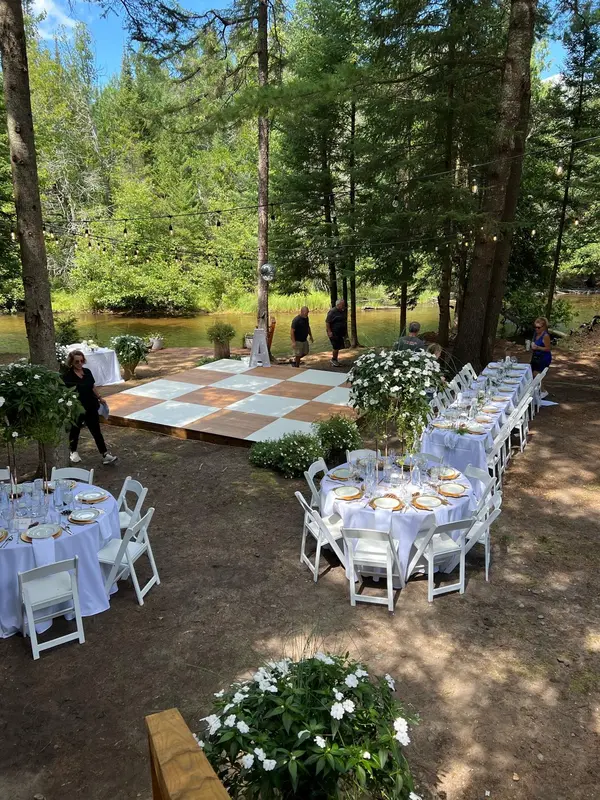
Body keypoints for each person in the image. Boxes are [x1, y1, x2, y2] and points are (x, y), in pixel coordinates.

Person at [63, 350, 117, 465]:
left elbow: (92, 386)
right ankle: (73, 451)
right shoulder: (68, 376)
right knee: (75, 430)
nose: (80, 363)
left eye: (82, 361)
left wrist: (100, 398)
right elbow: (65, 392)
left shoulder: (87, 372)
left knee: (96, 431)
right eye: (77, 361)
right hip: (77, 407)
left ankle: (104, 454)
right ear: (71, 362)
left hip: (91, 405)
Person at [326, 299, 348, 367]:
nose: (344, 305)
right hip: (333, 332)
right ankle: (333, 360)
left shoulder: (342, 311)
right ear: (338, 305)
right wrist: (329, 332)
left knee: (338, 346)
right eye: (342, 304)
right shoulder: (332, 311)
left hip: (339, 332)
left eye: (344, 304)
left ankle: (335, 359)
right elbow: (327, 322)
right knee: (335, 346)